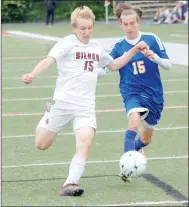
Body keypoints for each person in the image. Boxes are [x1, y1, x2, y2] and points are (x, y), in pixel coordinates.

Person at [22, 6, 148, 196]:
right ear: (74, 28)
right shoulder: (65, 44)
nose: (87, 32)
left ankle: (70, 183)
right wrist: (32, 74)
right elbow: (49, 60)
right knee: (41, 144)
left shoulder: (96, 47)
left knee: (85, 141)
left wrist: (133, 50)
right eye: (82, 28)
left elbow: (114, 65)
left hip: (85, 107)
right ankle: (48, 114)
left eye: (89, 28)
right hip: (62, 103)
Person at [108, 4, 172, 182]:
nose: (129, 27)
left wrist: (155, 57)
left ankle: (136, 148)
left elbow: (168, 65)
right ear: (121, 25)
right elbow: (109, 67)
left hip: (154, 95)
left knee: (146, 138)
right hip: (131, 92)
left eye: (132, 23)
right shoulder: (119, 46)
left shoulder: (151, 39)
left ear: (139, 22)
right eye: (125, 24)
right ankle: (126, 164)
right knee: (133, 120)